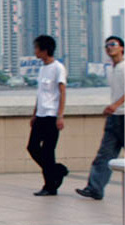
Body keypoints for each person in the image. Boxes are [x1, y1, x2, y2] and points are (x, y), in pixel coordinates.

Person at [76, 35, 124, 200]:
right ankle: (95, 188)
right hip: (114, 119)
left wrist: (115, 105)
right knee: (104, 154)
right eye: (107, 46)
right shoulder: (111, 69)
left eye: (113, 44)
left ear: (121, 48)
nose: (109, 47)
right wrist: (113, 108)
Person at [28, 34, 68, 196]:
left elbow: (62, 92)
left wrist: (60, 115)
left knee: (48, 151)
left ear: (45, 50)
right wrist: (34, 113)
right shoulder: (42, 68)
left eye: (37, 48)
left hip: (52, 116)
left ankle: (50, 186)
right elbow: (40, 94)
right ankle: (57, 171)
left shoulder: (58, 68)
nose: (35, 51)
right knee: (32, 147)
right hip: (40, 115)